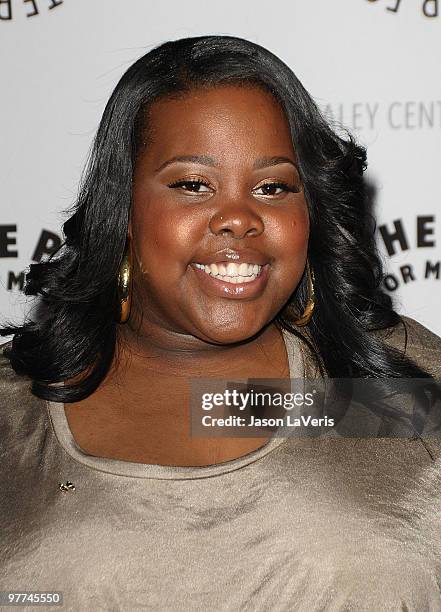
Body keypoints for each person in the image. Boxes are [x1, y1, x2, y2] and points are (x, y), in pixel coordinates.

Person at [1, 34, 441, 611]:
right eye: (193, 185)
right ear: (123, 208)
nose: (238, 217)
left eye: (273, 187)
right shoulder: (15, 410)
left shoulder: (397, 380)